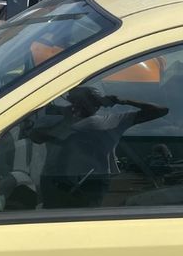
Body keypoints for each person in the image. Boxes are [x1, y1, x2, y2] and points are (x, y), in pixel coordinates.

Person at [32, 85, 169, 208]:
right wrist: (65, 120)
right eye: (77, 101)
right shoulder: (53, 121)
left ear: (97, 105)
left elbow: (160, 111)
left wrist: (123, 101)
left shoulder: (110, 121)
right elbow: (35, 138)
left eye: (88, 102)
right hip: (55, 180)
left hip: (92, 182)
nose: (81, 106)